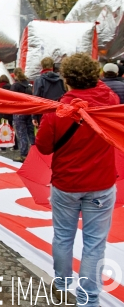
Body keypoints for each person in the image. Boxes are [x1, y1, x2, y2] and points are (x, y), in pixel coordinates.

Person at [36, 53, 118, 307]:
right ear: (95, 76)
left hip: (67, 184)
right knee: (95, 244)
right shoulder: (110, 102)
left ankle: (61, 284)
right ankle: (89, 298)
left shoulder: (58, 111)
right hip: (101, 184)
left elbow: (44, 147)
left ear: (66, 80)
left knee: (63, 237)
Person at [32, 57, 67, 127]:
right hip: (59, 112)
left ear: (42, 66)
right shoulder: (61, 80)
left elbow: (36, 99)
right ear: (52, 65)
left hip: (44, 114)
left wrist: (34, 116)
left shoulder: (38, 80)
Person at [10, 68, 35, 162]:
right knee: (31, 133)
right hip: (29, 110)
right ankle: (35, 153)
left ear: (15, 75)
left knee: (21, 134)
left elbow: (11, 99)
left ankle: (24, 154)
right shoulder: (29, 84)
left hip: (19, 112)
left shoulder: (15, 86)